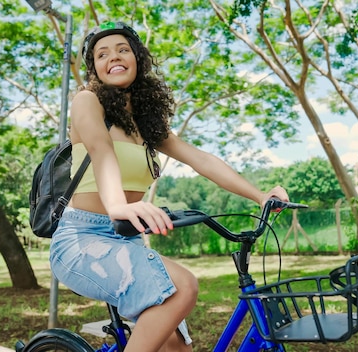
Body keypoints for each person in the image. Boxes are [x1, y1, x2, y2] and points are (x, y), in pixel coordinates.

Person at [49, 21, 290, 352]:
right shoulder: (87, 102)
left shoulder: (145, 121)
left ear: (137, 58)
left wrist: (260, 195)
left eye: (122, 49)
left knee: (177, 348)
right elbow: (101, 152)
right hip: (82, 240)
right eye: (102, 54)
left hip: (126, 240)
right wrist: (118, 205)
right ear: (95, 68)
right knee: (184, 285)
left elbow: (200, 160)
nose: (114, 57)